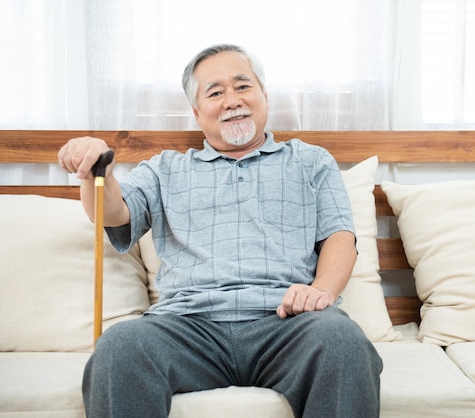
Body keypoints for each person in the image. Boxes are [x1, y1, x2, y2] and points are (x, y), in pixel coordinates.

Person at [57, 43, 382, 418]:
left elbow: (340, 237)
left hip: (287, 323)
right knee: (119, 346)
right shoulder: (165, 169)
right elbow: (111, 213)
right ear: (196, 113)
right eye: (215, 92)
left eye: (243, 86)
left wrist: (321, 292)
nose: (232, 100)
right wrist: (96, 168)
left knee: (342, 340)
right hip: (187, 327)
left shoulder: (310, 161)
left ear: (264, 96)